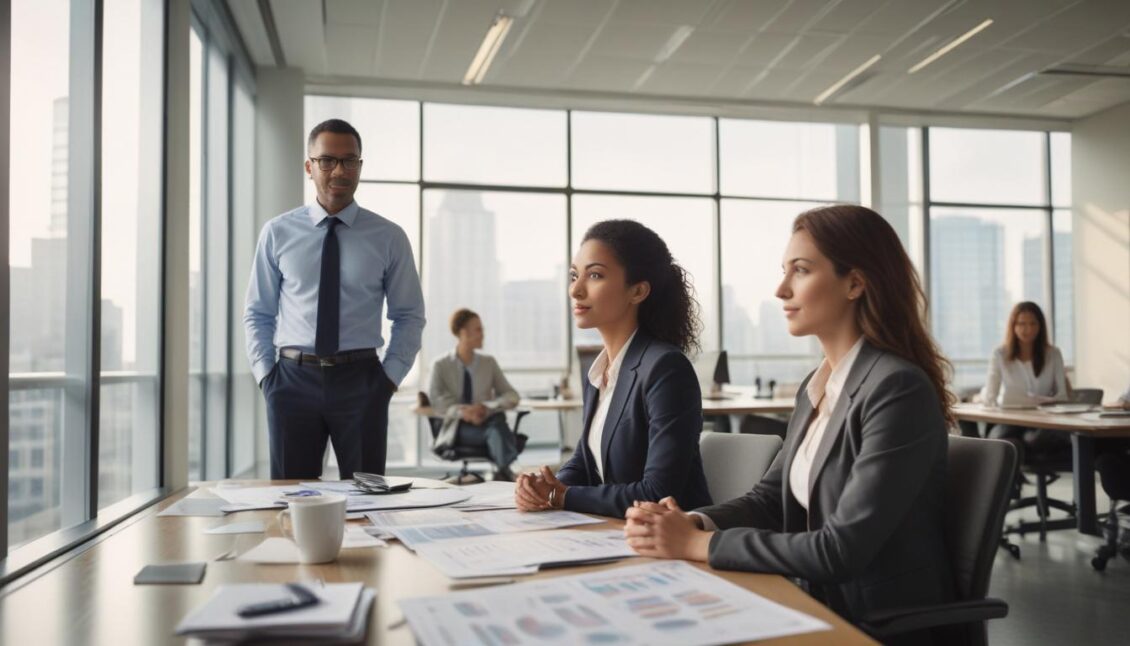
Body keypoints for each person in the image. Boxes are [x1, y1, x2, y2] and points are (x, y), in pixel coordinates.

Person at [624, 205, 955, 641]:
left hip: (870, 622)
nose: (781, 289)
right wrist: (693, 523)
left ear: (855, 282)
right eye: (785, 271)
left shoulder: (897, 389)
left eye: (800, 270)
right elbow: (769, 501)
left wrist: (695, 545)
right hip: (808, 598)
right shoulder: (818, 386)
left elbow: (840, 550)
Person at [244, 118, 425, 479]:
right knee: (293, 501)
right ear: (309, 166)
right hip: (292, 381)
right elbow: (258, 312)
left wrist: (387, 380)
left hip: (362, 382)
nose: (339, 170)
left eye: (350, 160)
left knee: (367, 501)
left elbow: (409, 315)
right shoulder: (277, 233)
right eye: (327, 160)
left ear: (360, 166)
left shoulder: (389, 237)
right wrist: (267, 377)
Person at [514, 219, 712, 518]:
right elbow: (584, 460)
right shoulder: (600, 370)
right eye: (574, 275)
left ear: (638, 291)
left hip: (671, 541)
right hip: (613, 532)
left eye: (595, 275)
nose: (576, 290)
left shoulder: (665, 368)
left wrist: (561, 496)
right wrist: (545, 488)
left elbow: (658, 492)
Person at [428, 309, 521, 481]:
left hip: (487, 422)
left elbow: (512, 395)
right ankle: (504, 472)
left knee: (495, 424)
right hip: (458, 429)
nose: (482, 334)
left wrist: (486, 407)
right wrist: (464, 412)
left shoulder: (489, 363)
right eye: (478, 329)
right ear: (463, 333)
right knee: (497, 428)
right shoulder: (440, 365)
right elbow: (436, 402)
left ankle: (502, 471)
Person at [981, 302, 1069, 458]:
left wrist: (1048, 401)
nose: (1027, 329)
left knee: (1034, 439)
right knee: (1001, 439)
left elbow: (1062, 396)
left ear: (1040, 326)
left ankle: (1020, 461)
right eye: (1021, 323)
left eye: (1033, 323)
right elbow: (990, 397)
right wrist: (997, 402)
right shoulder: (1000, 354)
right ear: (1013, 326)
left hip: (1041, 422)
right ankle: (1013, 474)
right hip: (1009, 420)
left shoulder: (1053, 354)